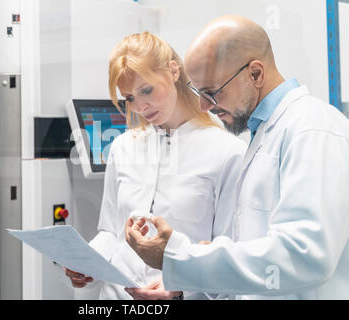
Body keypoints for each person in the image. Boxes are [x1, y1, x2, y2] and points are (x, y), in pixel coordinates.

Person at [125, 15, 349, 300]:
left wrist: (180, 256)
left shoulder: (313, 127)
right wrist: (187, 284)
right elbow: (257, 257)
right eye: (197, 91)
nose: (204, 106)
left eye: (211, 92)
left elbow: (304, 256)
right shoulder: (264, 133)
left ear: (255, 74)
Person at [64, 31, 247, 300]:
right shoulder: (123, 147)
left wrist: (180, 291)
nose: (140, 106)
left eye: (146, 90)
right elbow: (110, 232)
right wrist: (87, 263)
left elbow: (229, 253)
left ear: (174, 71)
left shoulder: (227, 152)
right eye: (129, 99)